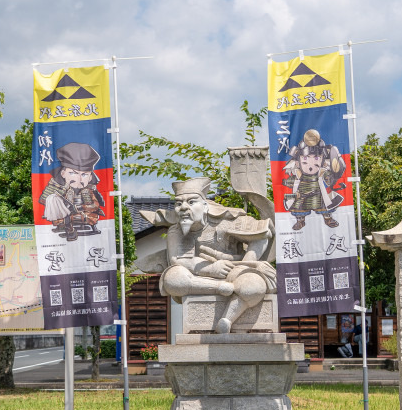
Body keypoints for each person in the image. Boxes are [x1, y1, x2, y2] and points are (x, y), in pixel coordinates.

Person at [141, 177, 276, 333]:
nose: (183, 208)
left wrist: (247, 263)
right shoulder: (176, 231)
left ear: (205, 206)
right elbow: (177, 260)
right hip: (203, 280)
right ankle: (223, 288)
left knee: (253, 284)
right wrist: (211, 269)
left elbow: (262, 235)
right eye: (178, 203)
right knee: (172, 277)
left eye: (191, 202)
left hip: (234, 272)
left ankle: (226, 320)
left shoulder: (224, 220)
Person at [38, 142, 106, 241]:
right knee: (53, 199)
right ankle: (69, 228)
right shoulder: (58, 187)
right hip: (65, 215)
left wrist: (81, 207)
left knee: (88, 217)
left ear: (90, 176)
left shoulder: (90, 190)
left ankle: (71, 225)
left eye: (84, 175)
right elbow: (43, 200)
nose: (78, 179)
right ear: (63, 173)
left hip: (85, 214)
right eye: (72, 173)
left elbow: (95, 205)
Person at [284, 129, 344, 230]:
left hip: (319, 194)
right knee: (298, 207)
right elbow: (291, 181)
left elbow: (329, 178)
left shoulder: (322, 173)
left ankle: (328, 218)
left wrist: (330, 177)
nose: (311, 166)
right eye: (305, 161)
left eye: (316, 160)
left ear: (323, 161)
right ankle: (300, 220)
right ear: (298, 163)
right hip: (301, 195)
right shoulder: (298, 175)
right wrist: (287, 182)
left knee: (325, 204)